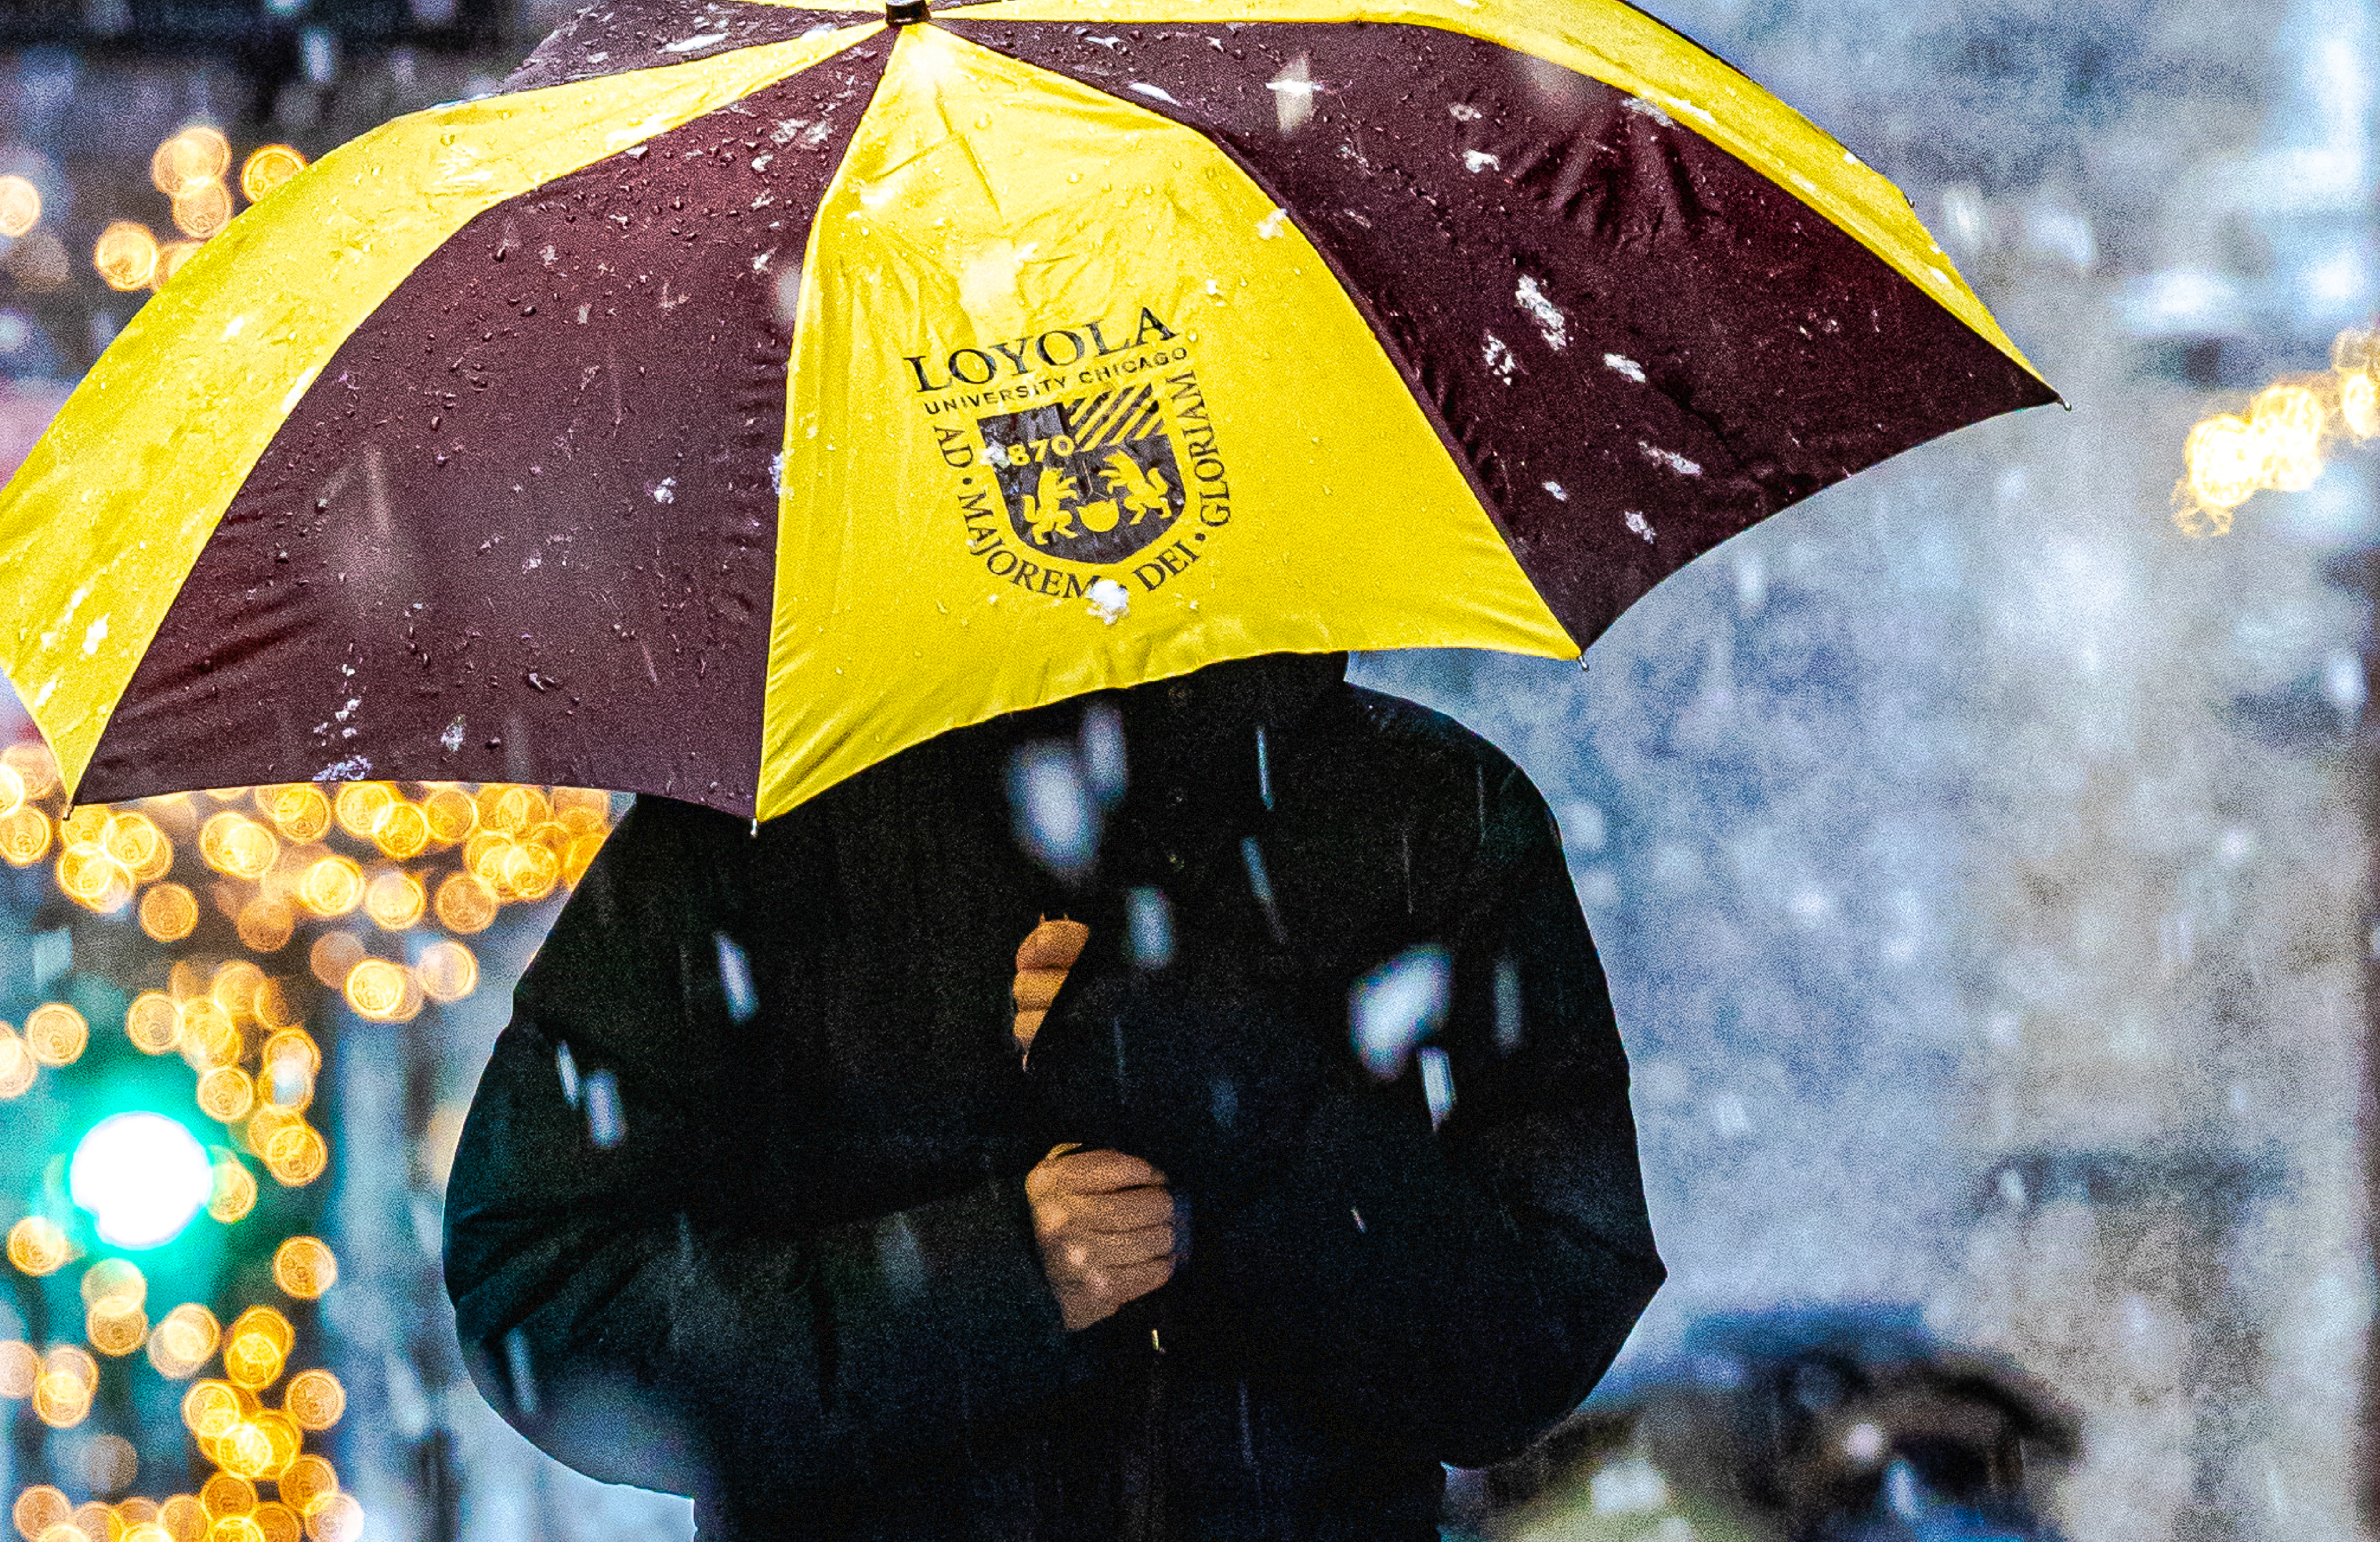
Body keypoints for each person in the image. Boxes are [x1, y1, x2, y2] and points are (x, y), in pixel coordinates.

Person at [445, 652, 1662, 1542]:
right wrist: (996, 1277)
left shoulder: (1426, 812)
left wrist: (1222, 1085)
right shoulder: (765, 832)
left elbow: (1532, 1332)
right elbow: (547, 1294)